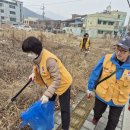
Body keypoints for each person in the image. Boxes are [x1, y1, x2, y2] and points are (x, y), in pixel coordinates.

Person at [22, 36, 72, 130]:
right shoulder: (38, 56)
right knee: (48, 104)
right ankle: (47, 123)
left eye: (28, 53)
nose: (28, 55)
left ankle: (65, 128)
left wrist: (47, 94)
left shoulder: (49, 60)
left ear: (34, 51)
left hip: (63, 83)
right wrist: (33, 73)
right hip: (52, 84)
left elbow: (57, 79)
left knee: (64, 109)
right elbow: (37, 65)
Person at [86, 35, 130, 130]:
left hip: (119, 100)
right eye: (118, 48)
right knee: (97, 111)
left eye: (123, 50)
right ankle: (96, 117)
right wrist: (89, 88)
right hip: (102, 94)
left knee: (113, 122)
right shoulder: (106, 58)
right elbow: (95, 73)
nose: (119, 52)